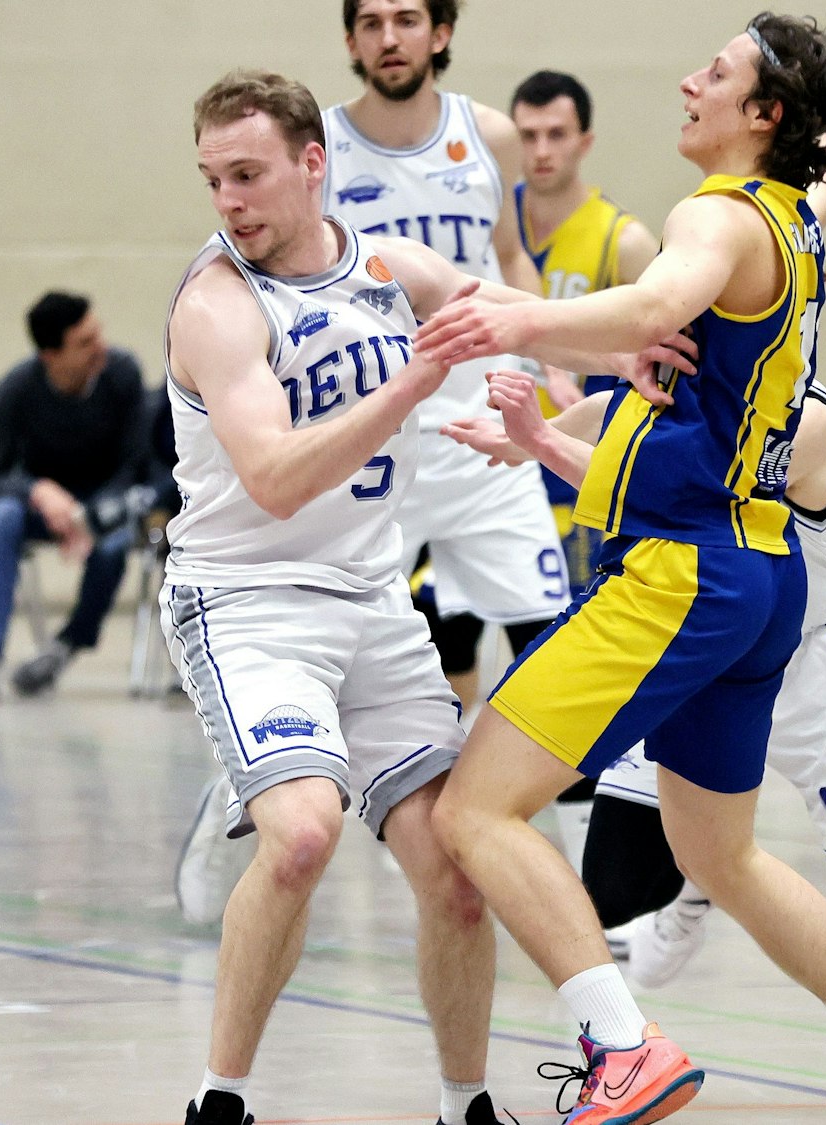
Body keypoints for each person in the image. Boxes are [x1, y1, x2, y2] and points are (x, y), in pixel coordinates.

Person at [418, 16, 826, 1125]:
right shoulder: (792, 214)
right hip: (761, 572)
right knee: (717, 854)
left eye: (714, 74)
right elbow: (709, 295)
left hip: (681, 572)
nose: (687, 82)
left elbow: (650, 307)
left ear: (761, 116)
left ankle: (621, 1048)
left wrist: (513, 316)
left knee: (473, 812)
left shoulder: (716, 216)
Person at [161, 70, 677, 1125]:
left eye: (248, 174)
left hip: (370, 603)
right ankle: (219, 1100)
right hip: (247, 603)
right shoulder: (217, 304)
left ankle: (464, 1105)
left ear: (314, 167)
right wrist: (408, 382)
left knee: (452, 865)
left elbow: (510, 313)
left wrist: (622, 349)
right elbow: (274, 477)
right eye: (214, 179)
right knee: (302, 836)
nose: (229, 201)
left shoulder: (388, 268)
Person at [444, 377, 826, 1109]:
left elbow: (672, 495)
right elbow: (612, 407)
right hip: (699, 637)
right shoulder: (686, 375)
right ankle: (706, 867)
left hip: (806, 663)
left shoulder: (808, 420)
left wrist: (543, 442)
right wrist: (541, 424)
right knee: (610, 887)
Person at [325, 0, 567, 710]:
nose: (389, 37)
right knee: (339, 654)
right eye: (371, 22)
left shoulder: (489, 134)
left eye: (406, 18)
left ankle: (582, 818)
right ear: (351, 40)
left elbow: (511, 256)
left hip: (482, 436)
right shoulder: (321, 149)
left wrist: (541, 351)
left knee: (553, 643)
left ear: (441, 33)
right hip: (372, 445)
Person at [508, 67, 664, 874]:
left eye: (555, 134)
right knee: (444, 632)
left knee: (564, 662)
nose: (540, 150)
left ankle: (592, 861)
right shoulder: (492, 229)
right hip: (494, 472)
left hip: (581, 480)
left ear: (584, 140)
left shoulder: (623, 241)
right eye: (526, 134)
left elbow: (665, 359)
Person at [0, 291, 147, 705]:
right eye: (84, 342)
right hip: (42, 507)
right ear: (50, 355)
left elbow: (135, 465)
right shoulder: (19, 387)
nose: (101, 347)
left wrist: (88, 516)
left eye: (97, 334)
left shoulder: (123, 374)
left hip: (104, 504)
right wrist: (37, 490)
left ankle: (64, 648)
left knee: (113, 541)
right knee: (2, 518)